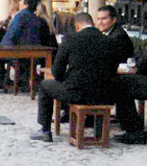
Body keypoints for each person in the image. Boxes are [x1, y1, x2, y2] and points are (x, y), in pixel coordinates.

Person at [31, 12, 122, 142]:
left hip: (76, 93)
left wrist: (68, 79)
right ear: (93, 24)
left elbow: (57, 71)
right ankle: (99, 132)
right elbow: (113, 70)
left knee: (45, 85)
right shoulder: (110, 41)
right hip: (104, 95)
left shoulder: (70, 39)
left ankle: (45, 130)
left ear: (77, 26)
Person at [1, 0, 57, 91]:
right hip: (35, 53)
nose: (20, 3)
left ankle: (2, 83)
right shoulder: (37, 19)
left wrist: (4, 46)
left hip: (19, 53)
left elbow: (11, 35)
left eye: (21, 1)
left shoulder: (20, 16)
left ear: (25, 4)